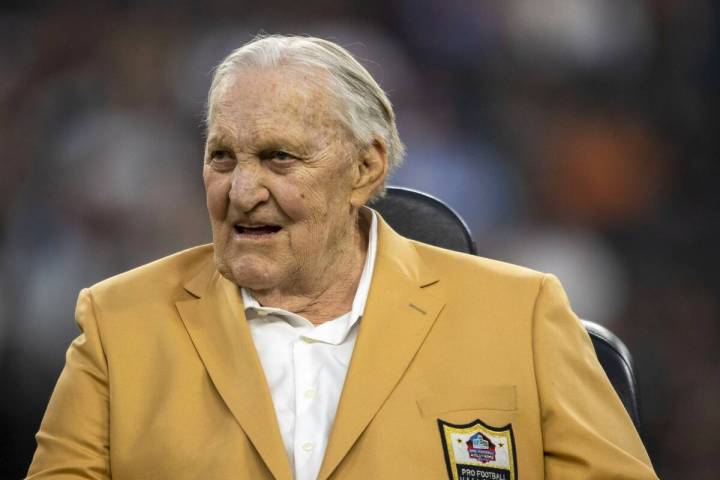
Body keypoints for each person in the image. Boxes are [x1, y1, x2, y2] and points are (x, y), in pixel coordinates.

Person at [27, 35, 658, 480]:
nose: (242, 191)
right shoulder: (119, 323)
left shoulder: (521, 314)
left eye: (279, 157)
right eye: (222, 157)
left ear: (365, 167)